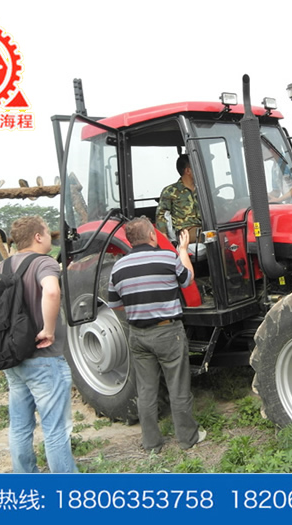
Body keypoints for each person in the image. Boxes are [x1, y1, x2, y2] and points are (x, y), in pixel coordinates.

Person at [0, 216, 77, 473]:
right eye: (46, 233)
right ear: (38, 237)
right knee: (55, 429)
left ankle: (25, 479)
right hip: (44, 359)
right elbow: (51, 291)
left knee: (19, 426)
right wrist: (48, 329)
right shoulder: (44, 262)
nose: (49, 237)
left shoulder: (5, 266)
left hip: (15, 359)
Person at [108, 217, 205, 453]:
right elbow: (188, 279)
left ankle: (151, 442)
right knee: (178, 387)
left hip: (138, 335)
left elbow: (115, 304)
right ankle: (187, 438)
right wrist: (182, 250)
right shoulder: (167, 257)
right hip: (167, 332)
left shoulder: (118, 268)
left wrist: (139, 307)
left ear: (130, 240)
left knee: (146, 390)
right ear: (152, 235)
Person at [155, 154, 202, 242]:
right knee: (210, 236)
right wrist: (164, 238)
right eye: (196, 167)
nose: (200, 171)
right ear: (188, 171)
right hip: (185, 231)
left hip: (205, 226)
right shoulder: (171, 191)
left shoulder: (202, 190)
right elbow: (161, 215)